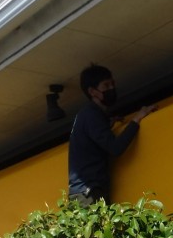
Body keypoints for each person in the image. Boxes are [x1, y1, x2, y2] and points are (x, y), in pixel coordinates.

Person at [67, 64, 156, 205]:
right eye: (106, 85)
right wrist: (137, 118)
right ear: (92, 91)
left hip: (83, 192)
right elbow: (116, 148)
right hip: (89, 193)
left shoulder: (88, 115)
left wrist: (108, 124)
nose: (111, 88)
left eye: (112, 84)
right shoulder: (92, 115)